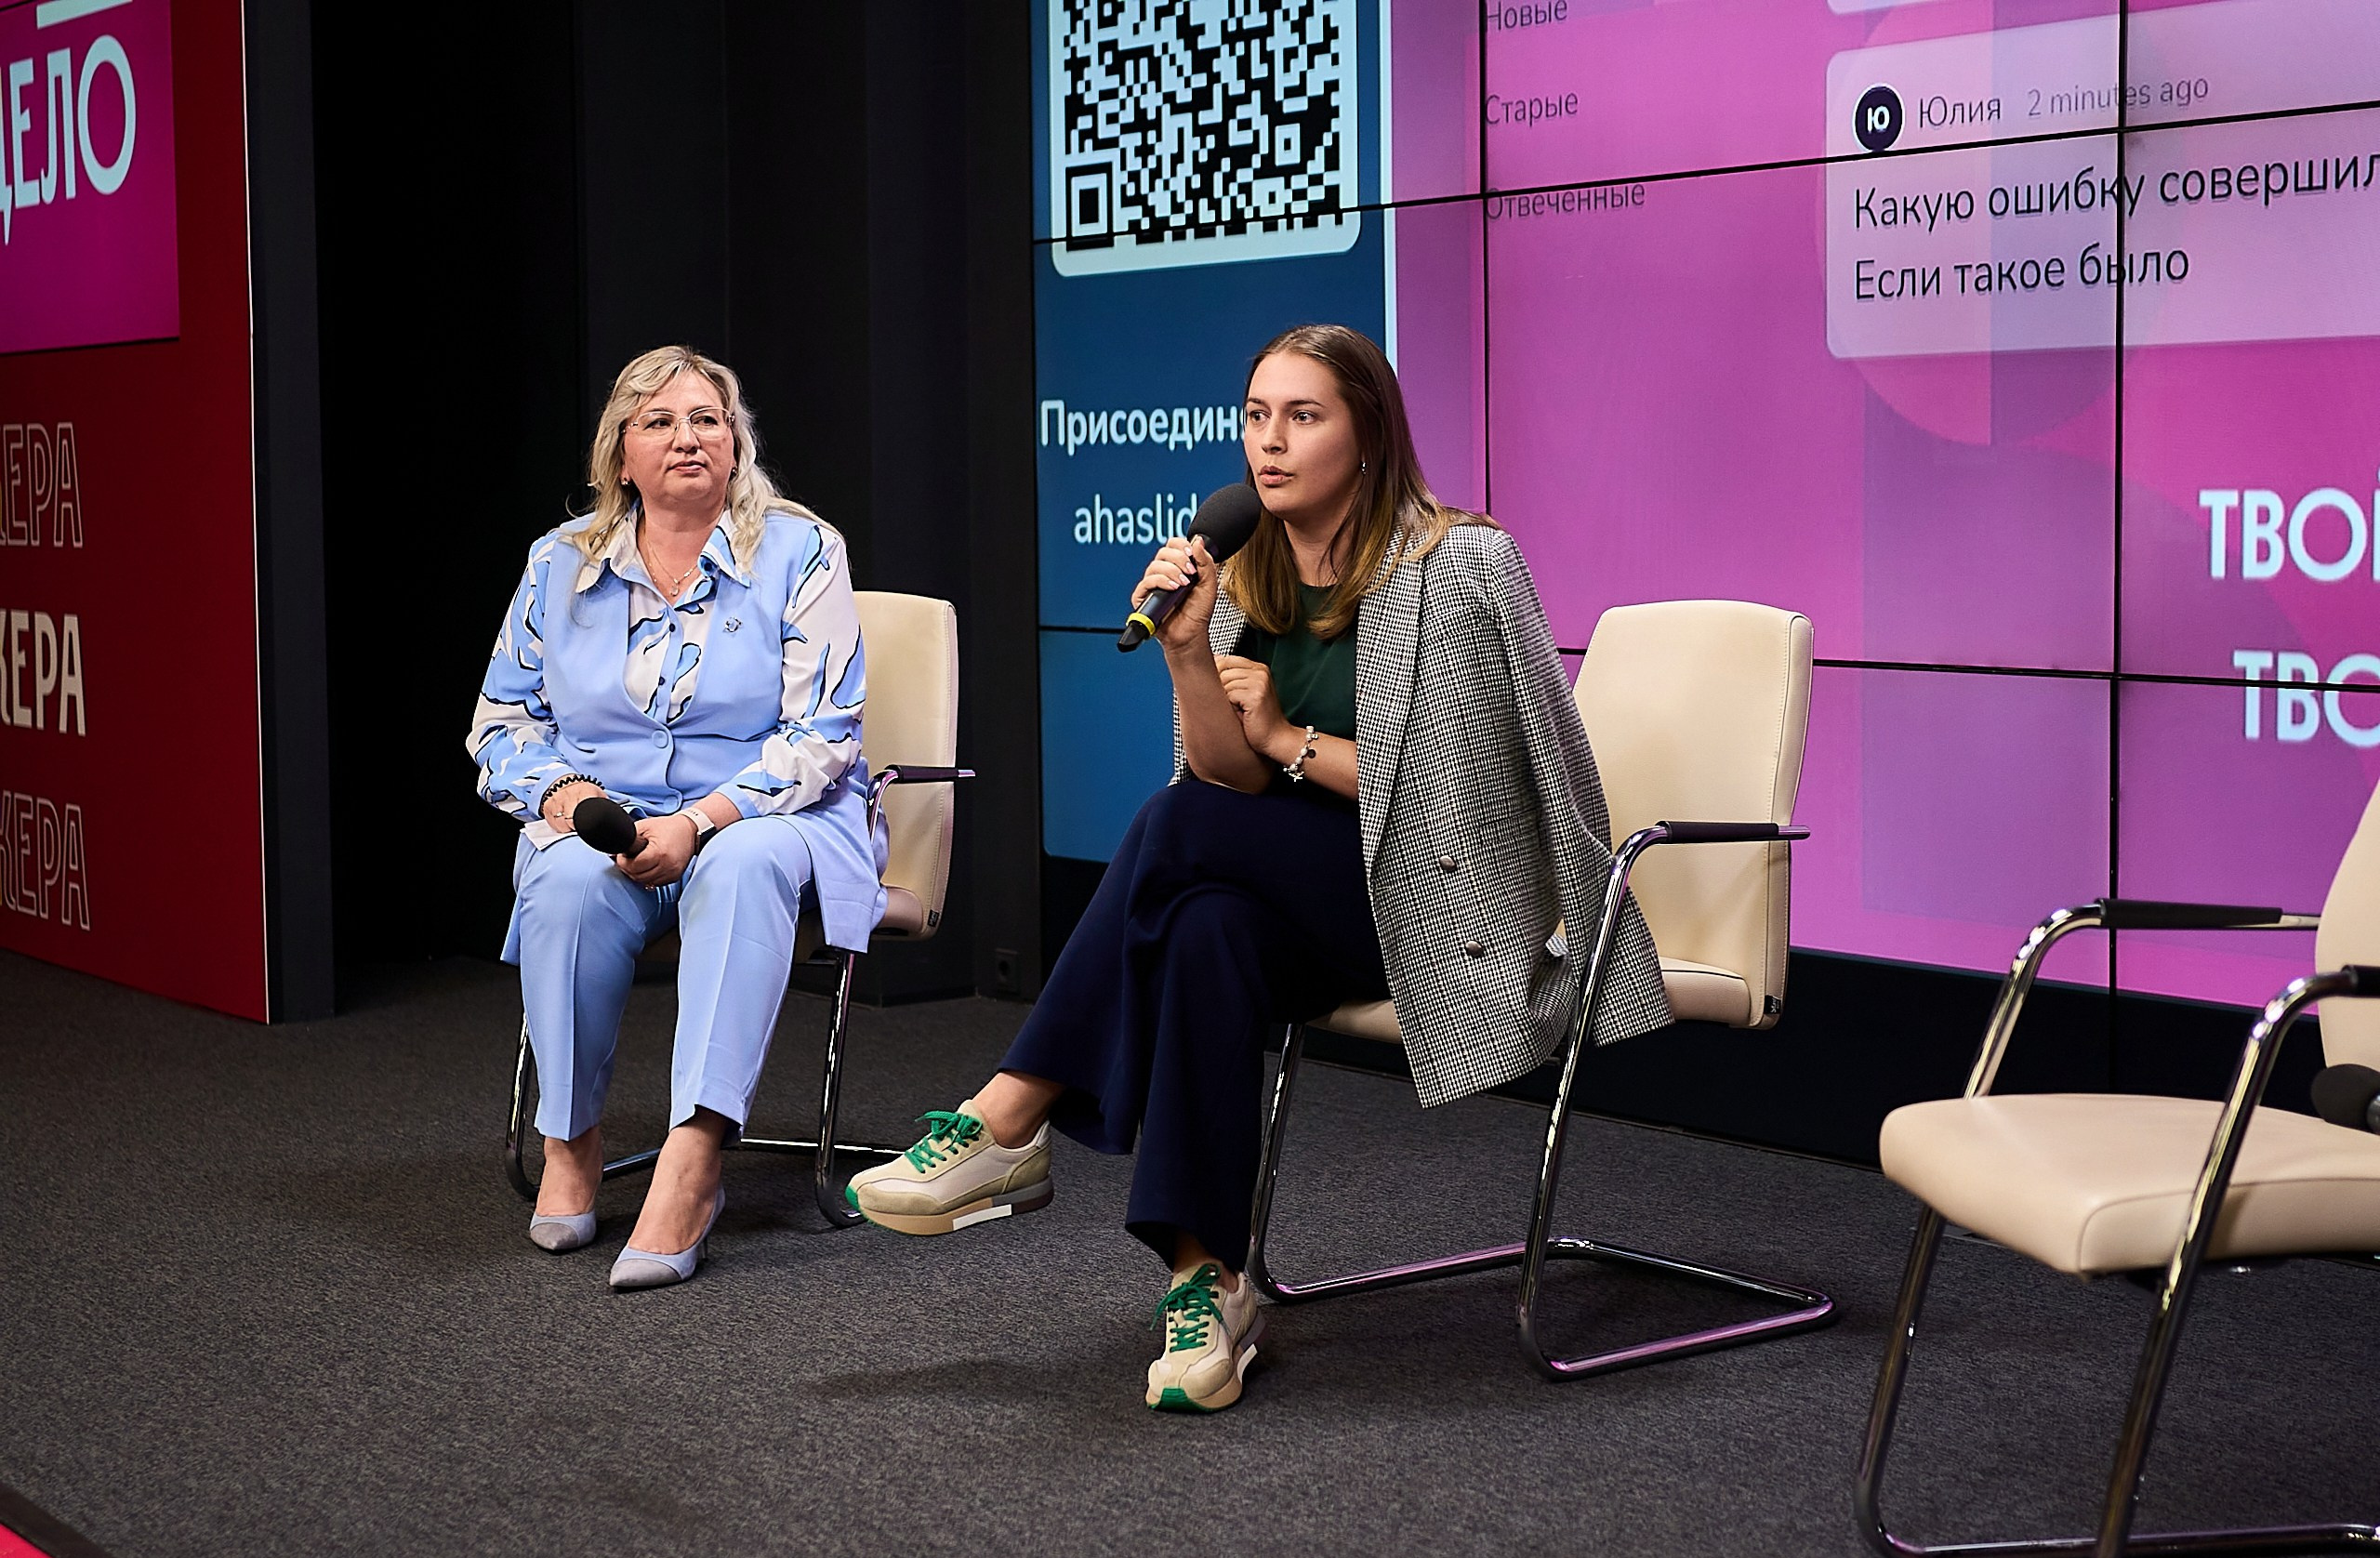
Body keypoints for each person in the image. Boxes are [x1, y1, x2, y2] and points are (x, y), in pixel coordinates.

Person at [848, 323, 1672, 1408]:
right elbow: (1225, 780)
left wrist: (1290, 741)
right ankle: (1209, 1287)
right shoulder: (1244, 568)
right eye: (1255, 417)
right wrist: (1190, 650)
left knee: (1171, 828)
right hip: (1291, 893)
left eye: (1302, 416)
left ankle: (1010, 1112)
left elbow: (1460, 803)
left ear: (1368, 434)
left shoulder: (1460, 565)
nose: (1267, 445)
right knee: (1203, 930)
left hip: (1427, 897)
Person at [469, 346, 884, 1291]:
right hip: (608, 825)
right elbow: (503, 724)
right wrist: (571, 802)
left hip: (771, 816)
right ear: (620, 456)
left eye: (707, 419)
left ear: (735, 444)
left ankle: (694, 1161)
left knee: (740, 869)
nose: (687, 437)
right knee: (567, 882)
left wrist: (700, 820)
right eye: (658, 422)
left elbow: (824, 733)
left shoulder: (801, 549)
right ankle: (570, 1143)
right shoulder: (557, 565)